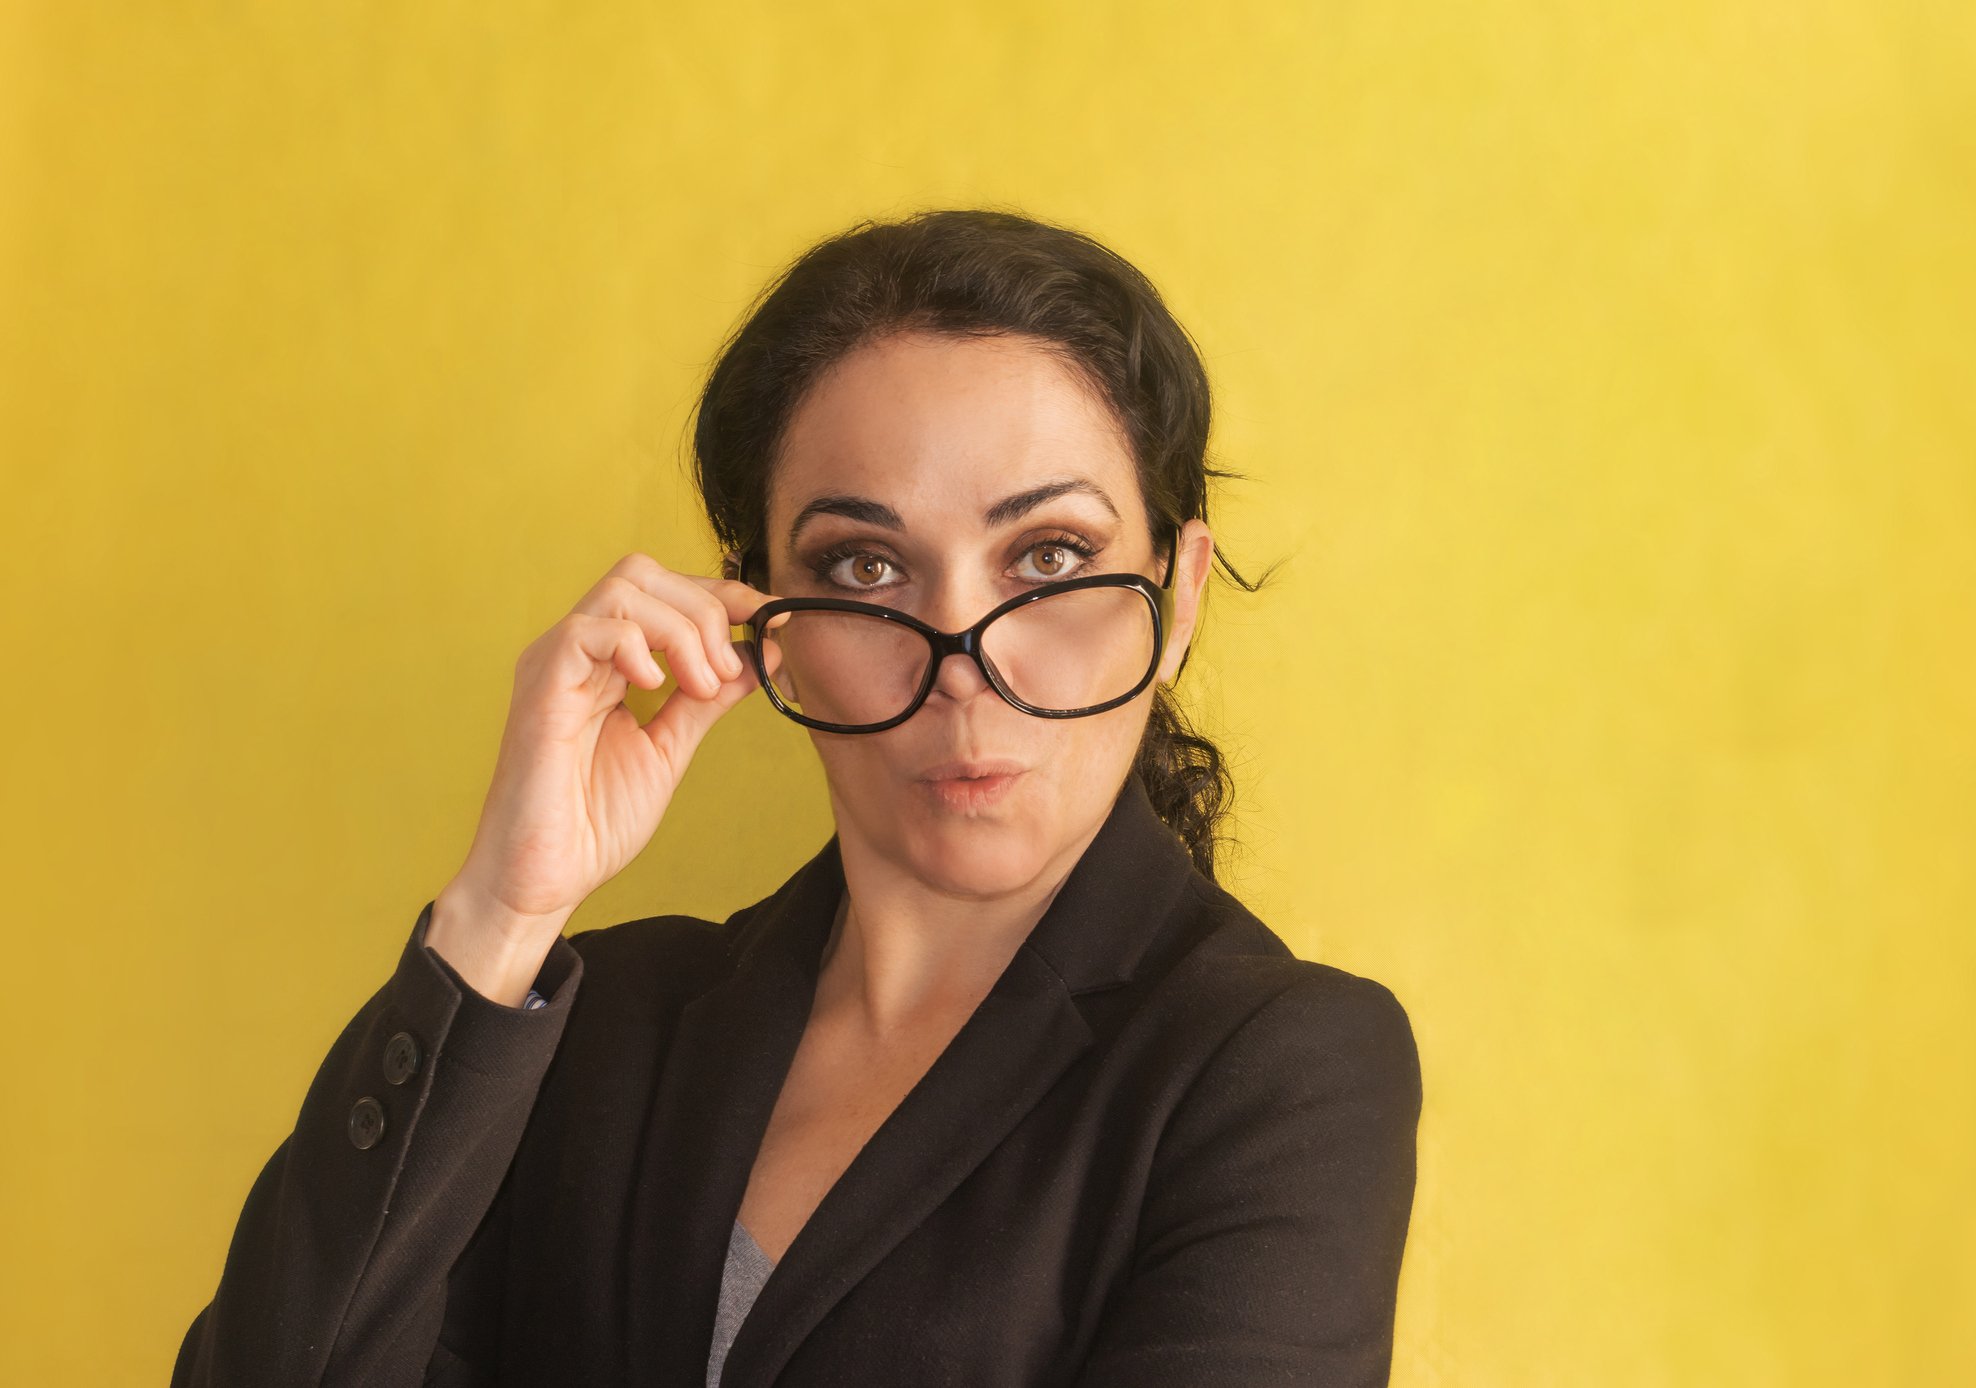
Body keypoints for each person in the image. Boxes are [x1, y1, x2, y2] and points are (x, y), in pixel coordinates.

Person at [172, 207, 1423, 1388]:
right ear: (764, 623)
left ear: (1180, 587)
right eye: (865, 566)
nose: (963, 659)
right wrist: (503, 908)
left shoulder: (1276, 1067)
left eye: (1048, 557)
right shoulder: (590, 1031)